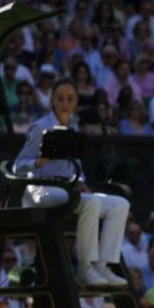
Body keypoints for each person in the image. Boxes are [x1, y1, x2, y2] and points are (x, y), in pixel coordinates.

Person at [13, 78, 131, 286]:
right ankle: (84, 269)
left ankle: (102, 266)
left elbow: (75, 165)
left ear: (76, 101)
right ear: (52, 100)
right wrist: (38, 162)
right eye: (60, 98)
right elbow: (18, 166)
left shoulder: (74, 126)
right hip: (41, 190)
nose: (65, 103)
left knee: (120, 205)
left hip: (68, 189)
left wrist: (81, 181)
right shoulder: (39, 127)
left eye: (70, 99)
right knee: (88, 202)